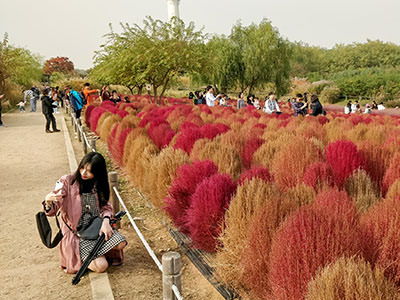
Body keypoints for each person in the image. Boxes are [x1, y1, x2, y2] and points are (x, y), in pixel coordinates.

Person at [43, 152, 127, 274]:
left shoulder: (98, 184)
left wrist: (106, 221)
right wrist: (48, 202)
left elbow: (106, 207)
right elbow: (52, 208)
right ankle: (87, 256)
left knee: (121, 243)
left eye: (89, 171)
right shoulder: (66, 181)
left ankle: (95, 253)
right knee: (101, 266)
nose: (83, 173)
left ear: (98, 173)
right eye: (82, 168)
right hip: (77, 235)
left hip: (96, 229)